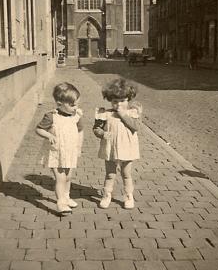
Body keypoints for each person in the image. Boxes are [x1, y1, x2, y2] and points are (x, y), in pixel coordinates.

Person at [93, 78, 142, 209]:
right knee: (110, 174)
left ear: (128, 99)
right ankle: (107, 195)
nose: (119, 105)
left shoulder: (132, 113)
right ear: (110, 100)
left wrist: (123, 115)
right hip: (110, 147)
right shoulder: (105, 114)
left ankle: (128, 196)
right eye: (115, 102)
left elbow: (136, 127)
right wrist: (102, 133)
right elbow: (96, 128)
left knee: (126, 174)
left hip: (127, 147)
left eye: (122, 101)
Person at [36, 83, 83, 213]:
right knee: (60, 178)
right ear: (59, 103)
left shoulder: (76, 116)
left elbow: (80, 131)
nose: (75, 108)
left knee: (68, 177)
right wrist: (48, 135)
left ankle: (66, 197)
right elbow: (39, 129)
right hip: (56, 152)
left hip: (70, 151)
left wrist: (79, 146)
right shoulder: (51, 116)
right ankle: (61, 202)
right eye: (72, 105)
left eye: (76, 104)